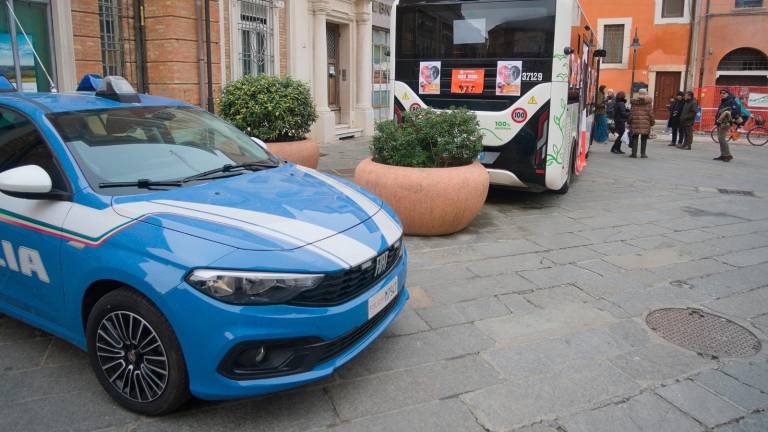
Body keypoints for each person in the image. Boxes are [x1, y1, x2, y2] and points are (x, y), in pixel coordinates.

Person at [628, 88, 654, 158]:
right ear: (646, 94)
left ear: (638, 93)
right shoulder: (648, 103)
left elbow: (631, 113)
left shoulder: (634, 102)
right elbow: (650, 113)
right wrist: (652, 122)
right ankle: (643, 154)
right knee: (644, 138)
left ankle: (634, 153)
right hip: (645, 122)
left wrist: (629, 121)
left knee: (635, 137)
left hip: (635, 122)